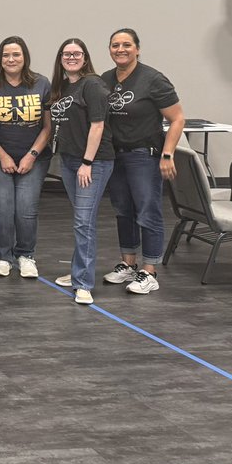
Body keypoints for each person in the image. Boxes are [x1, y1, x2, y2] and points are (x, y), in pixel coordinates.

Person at [100, 28, 186, 295]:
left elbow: (177, 118)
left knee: (148, 211)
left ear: (137, 49)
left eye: (127, 45)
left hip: (144, 155)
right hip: (116, 156)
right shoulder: (105, 79)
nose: (120, 49)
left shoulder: (153, 79)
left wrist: (167, 154)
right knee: (123, 210)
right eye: (115, 45)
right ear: (110, 49)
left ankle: (149, 271)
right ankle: (128, 264)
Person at [0, 36, 52, 279]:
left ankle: (26, 254)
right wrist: (3, 156)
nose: (11, 59)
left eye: (16, 54)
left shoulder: (41, 83)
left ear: (25, 57)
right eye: (6, 55)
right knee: (3, 207)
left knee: (26, 209)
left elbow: (48, 127)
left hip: (34, 158)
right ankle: (4, 256)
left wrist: (31, 155)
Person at [49, 39, 114, 305]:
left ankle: (84, 283)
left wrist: (87, 162)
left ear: (85, 57)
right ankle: (78, 270)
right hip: (70, 160)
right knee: (81, 219)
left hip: (93, 163)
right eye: (66, 54)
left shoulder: (93, 84)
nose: (71, 57)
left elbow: (97, 126)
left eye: (77, 53)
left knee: (84, 222)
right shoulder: (63, 87)